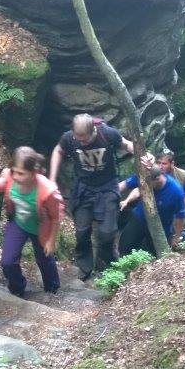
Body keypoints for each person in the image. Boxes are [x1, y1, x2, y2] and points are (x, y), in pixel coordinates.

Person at [0, 147, 63, 296]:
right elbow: (3, 182)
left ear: (34, 172)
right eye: (13, 171)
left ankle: (52, 289)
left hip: (41, 229)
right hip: (19, 223)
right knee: (8, 262)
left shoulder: (48, 191)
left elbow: (56, 217)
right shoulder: (11, 177)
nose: (15, 176)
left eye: (21, 173)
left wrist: (51, 240)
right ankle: (18, 288)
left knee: (44, 259)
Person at [49, 113, 134, 280]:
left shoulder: (107, 133)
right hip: (83, 188)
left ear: (93, 130)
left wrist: (144, 155)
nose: (82, 143)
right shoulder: (69, 138)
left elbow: (126, 144)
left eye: (85, 140)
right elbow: (58, 150)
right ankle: (84, 268)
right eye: (78, 139)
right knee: (82, 231)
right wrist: (52, 179)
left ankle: (107, 265)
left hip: (107, 186)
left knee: (107, 232)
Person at [117, 164, 185, 256]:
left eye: (147, 182)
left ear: (157, 179)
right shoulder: (144, 176)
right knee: (124, 247)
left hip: (161, 226)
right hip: (140, 218)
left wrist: (176, 237)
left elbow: (180, 217)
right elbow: (123, 185)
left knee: (160, 254)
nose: (144, 184)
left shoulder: (175, 191)